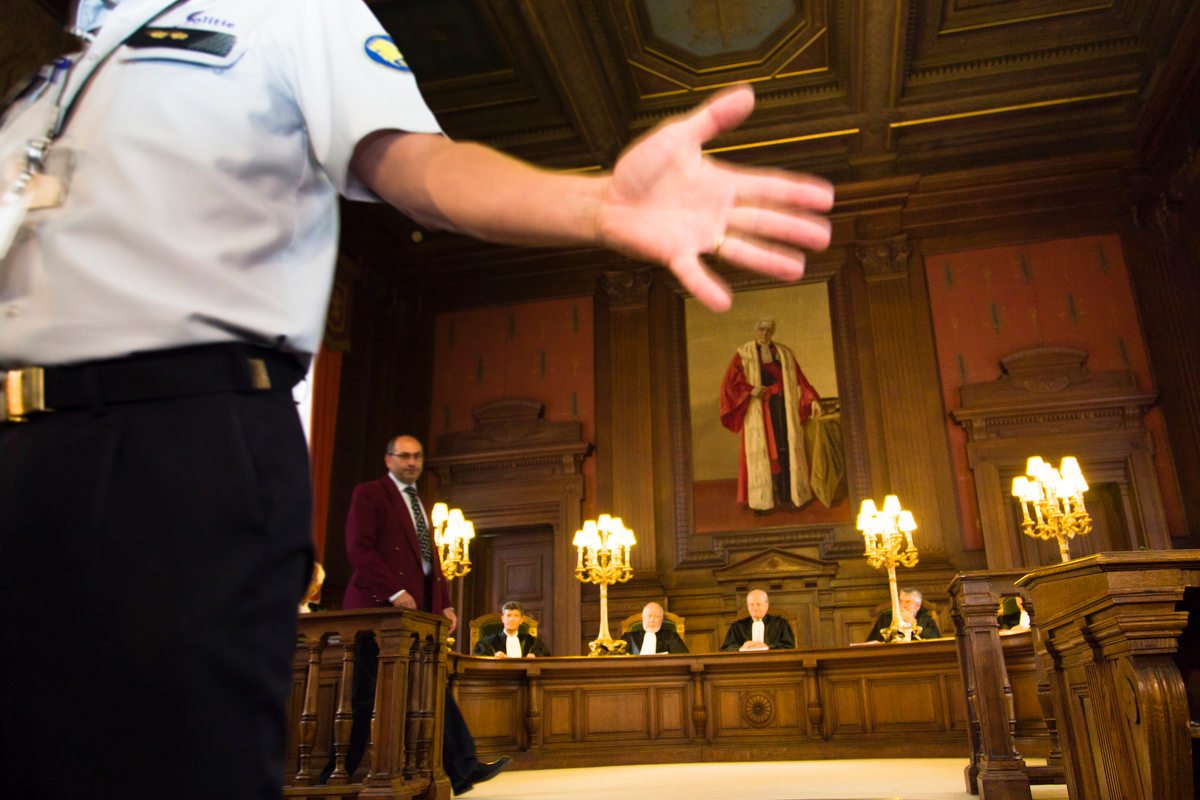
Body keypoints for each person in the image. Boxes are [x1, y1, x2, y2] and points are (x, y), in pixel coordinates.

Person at [0, 1, 834, 797]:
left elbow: (422, 167)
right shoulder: (49, 57)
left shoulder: (286, 12)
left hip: (168, 440)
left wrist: (598, 203)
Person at [326, 434, 508, 794]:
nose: (411, 462)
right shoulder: (370, 493)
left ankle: (462, 768)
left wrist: (444, 603)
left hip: (413, 621)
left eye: (417, 457)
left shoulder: (418, 503)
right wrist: (394, 592)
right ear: (388, 459)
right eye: (404, 456)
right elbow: (359, 550)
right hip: (374, 615)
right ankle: (332, 777)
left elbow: (430, 561)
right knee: (363, 701)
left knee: (428, 691)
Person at [720, 319, 823, 512]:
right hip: (760, 410)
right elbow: (731, 384)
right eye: (761, 329)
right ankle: (762, 502)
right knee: (764, 450)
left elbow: (800, 378)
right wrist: (750, 390)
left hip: (783, 407)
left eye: (768, 330)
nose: (764, 333)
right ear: (755, 331)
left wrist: (813, 400)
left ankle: (789, 496)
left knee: (785, 449)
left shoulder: (783, 353)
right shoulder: (744, 354)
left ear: (773, 332)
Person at [721, 589, 795, 651]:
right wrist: (742, 648)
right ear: (747, 606)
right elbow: (727, 648)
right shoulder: (737, 627)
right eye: (751, 604)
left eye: (758, 604)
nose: (755, 608)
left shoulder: (780, 624)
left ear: (766, 606)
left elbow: (789, 646)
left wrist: (766, 647)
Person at [473, 600, 551, 658]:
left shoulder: (532, 642)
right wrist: (494, 658)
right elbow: (478, 660)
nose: (511, 619)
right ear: (503, 619)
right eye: (508, 615)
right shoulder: (487, 642)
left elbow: (545, 657)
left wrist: (534, 657)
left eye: (516, 616)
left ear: (521, 620)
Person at [865, 588, 942, 642]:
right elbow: (872, 643)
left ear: (917, 606)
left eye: (908, 602)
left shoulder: (926, 620)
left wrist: (913, 623)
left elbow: (934, 642)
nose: (902, 605)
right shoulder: (886, 617)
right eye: (900, 601)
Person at [622, 601, 689, 655]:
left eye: (657, 616)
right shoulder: (629, 637)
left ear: (661, 619)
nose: (652, 620)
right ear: (643, 618)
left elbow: (682, 657)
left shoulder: (670, 636)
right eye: (649, 616)